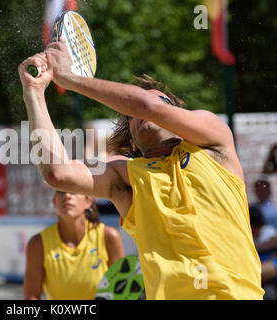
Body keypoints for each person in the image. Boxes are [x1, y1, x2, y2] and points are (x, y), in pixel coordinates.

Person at [18, 39, 264, 299]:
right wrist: (33, 93)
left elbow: (149, 107)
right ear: (133, 141)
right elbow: (57, 173)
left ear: (178, 117)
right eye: (131, 116)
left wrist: (67, 77)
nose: (144, 111)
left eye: (160, 102)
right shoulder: (127, 176)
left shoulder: (214, 144)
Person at [24, 191, 124, 300]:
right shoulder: (38, 244)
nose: (67, 196)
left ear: (89, 201)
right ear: (54, 201)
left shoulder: (108, 236)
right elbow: (31, 297)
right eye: (61, 192)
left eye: (74, 191)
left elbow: (122, 292)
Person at [249, 205, 277, 299]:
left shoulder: (268, 232)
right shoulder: (250, 238)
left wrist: (255, 248)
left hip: (267, 279)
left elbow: (274, 241)